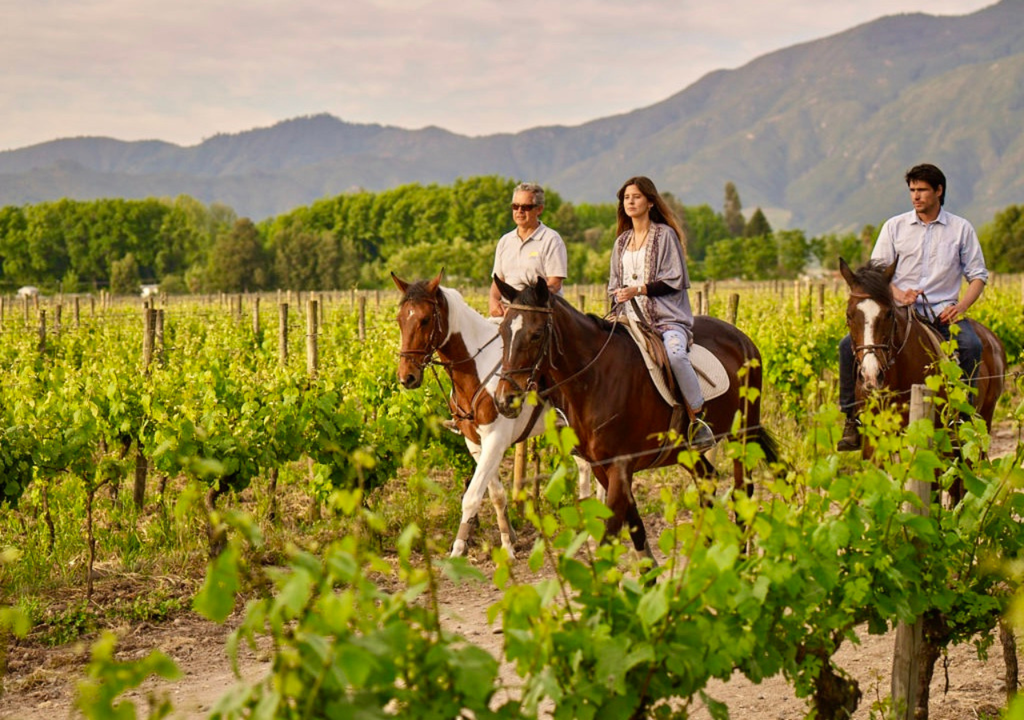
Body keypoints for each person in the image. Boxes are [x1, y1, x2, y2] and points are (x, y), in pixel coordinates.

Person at [837, 163, 988, 451]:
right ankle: (852, 419)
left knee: (971, 345)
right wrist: (898, 293)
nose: (916, 196)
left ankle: (962, 420)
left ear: (939, 191)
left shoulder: (960, 229)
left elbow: (978, 276)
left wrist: (962, 307)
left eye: (922, 190)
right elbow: (877, 275)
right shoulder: (894, 227)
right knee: (847, 346)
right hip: (898, 312)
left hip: (943, 312)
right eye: (912, 191)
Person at [608, 176, 715, 451]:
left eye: (636, 197)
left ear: (650, 202)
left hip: (665, 320)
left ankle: (697, 419)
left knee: (676, 355)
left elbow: (674, 279)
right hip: (628, 318)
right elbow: (613, 284)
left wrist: (638, 290)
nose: (630, 201)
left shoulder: (665, 236)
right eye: (626, 198)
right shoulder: (620, 242)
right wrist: (618, 298)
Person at [488, 182, 567, 317]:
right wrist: (493, 301)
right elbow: (498, 280)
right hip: (507, 314)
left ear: (539, 209)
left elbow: (554, 284)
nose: (519, 211)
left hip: (539, 315)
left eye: (526, 207)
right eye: (515, 206)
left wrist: (527, 306)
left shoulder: (551, 240)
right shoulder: (505, 241)